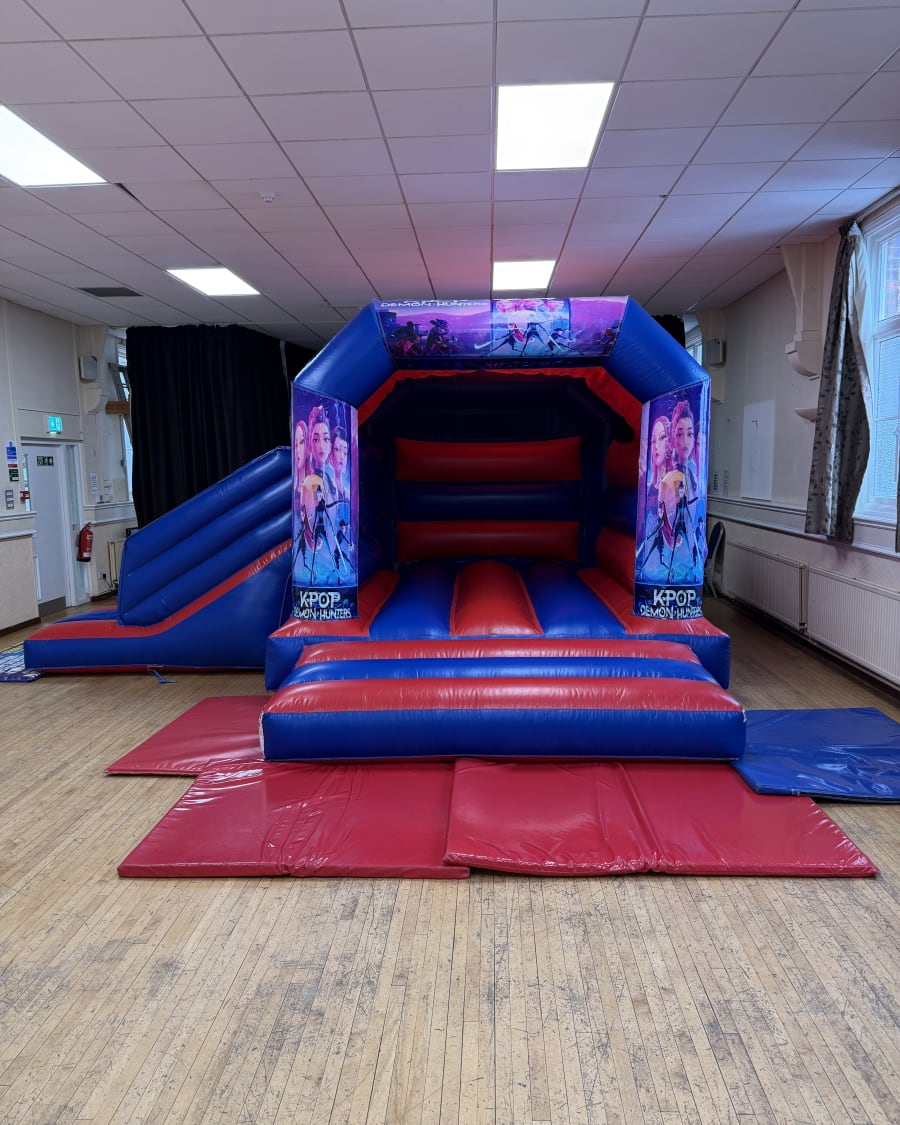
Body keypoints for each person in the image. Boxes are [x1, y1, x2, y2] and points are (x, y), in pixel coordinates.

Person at [671, 399, 699, 502]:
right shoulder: (672, 478)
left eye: (690, 434)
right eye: (680, 435)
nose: (685, 441)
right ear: (673, 439)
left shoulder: (692, 475)